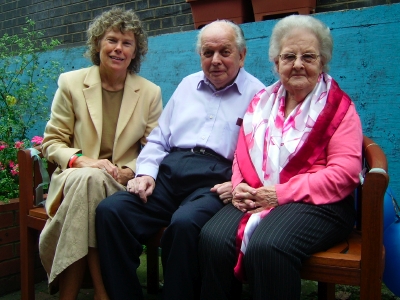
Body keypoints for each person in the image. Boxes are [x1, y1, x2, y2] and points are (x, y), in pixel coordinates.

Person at [95, 20, 266, 300]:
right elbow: (159, 138)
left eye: (225, 52)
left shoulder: (259, 96)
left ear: (242, 55)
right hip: (170, 172)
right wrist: (147, 174)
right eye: (207, 53)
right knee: (111, 212)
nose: (216, 60)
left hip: (214, 181)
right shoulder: (188, 85)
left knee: (185, 224)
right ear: (200, 56)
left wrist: (239, 181)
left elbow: (261, 154)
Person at [199, 14, 363, 300]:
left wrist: (280, 193)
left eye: (308, 56)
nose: (298, 64)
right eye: (289, 56)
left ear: (322, 62)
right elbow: (242, 155)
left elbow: (345, 173)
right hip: (260, 194)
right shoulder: (260, 103)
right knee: (212, 237)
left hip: (320, 203)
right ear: (276, 63)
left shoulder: (339, 107)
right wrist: (239, 186)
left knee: (269, 246)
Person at [39, 7, 162, 300]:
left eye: (127, 43)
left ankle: (69, 293)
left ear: (135, 52)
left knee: (93, 183)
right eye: (112, 40)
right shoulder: (71, 83)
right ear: (98, 44)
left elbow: (155, 147)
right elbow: (52, 141)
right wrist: (81, 160)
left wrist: (130, 171)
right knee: (90, 179)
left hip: (120, 183)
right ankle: (102, 290)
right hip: (74, 178)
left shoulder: (149, 93)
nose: (118, 48)